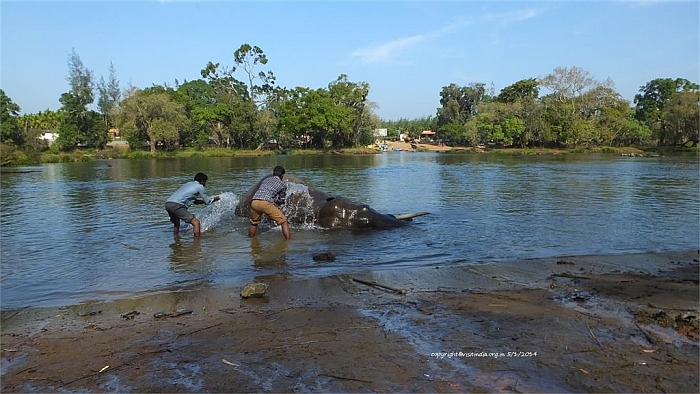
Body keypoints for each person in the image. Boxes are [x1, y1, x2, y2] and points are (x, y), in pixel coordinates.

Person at [165, 173, 220, 237]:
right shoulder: (200, 187)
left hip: (168, 204)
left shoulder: (188, 184)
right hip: (177, 205)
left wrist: (203, 201)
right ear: (202, 181)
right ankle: (197, 244)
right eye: (205, 181)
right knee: (196, 223)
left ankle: (176, 239)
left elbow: (195, 202)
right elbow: (207, 201)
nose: (205, 183)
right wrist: (214, 199)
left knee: (176, 224)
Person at [248, 165, 291, 240]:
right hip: (265, 203)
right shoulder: (282, 184)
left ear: (273, 173)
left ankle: (251, 240)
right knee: (284, 221)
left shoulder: (266, 180)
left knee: (254, 223)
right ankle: (288, 242)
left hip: (254, 201)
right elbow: (281, 200)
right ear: (282, 175)